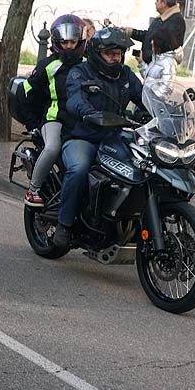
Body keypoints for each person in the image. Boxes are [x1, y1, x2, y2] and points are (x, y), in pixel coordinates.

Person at [54, 27, 143, 247]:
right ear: (97, 53)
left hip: (113, 137)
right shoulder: (80, 72)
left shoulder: (126, 76)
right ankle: (64, 225)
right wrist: (90, 114)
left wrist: (170, 114)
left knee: (141, 170)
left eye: (120, 53)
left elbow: (146, 98)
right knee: (79, 168)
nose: (117, 58)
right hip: (82, 136)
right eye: (111, 53)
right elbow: (75, 100)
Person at [20, 14, 87, 207]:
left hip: (80, 120)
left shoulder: (87, 65)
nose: (68, 46)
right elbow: (26, 92)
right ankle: (33, 189)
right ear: (56, 42)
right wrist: (32, 124)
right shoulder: (48, 65)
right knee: (52, 148)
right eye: (64, 42)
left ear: (80, 41)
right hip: (54, 118)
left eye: (73, 42)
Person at [123, 0, 186, 65]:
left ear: (164, 3)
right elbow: (149, 36)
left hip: (160, 68)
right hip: (152, 66)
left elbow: (166, 49)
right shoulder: (161, 19)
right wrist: (130, 31)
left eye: (157, 0)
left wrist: (145, 57)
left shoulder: (176, 22)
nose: (155, 3)